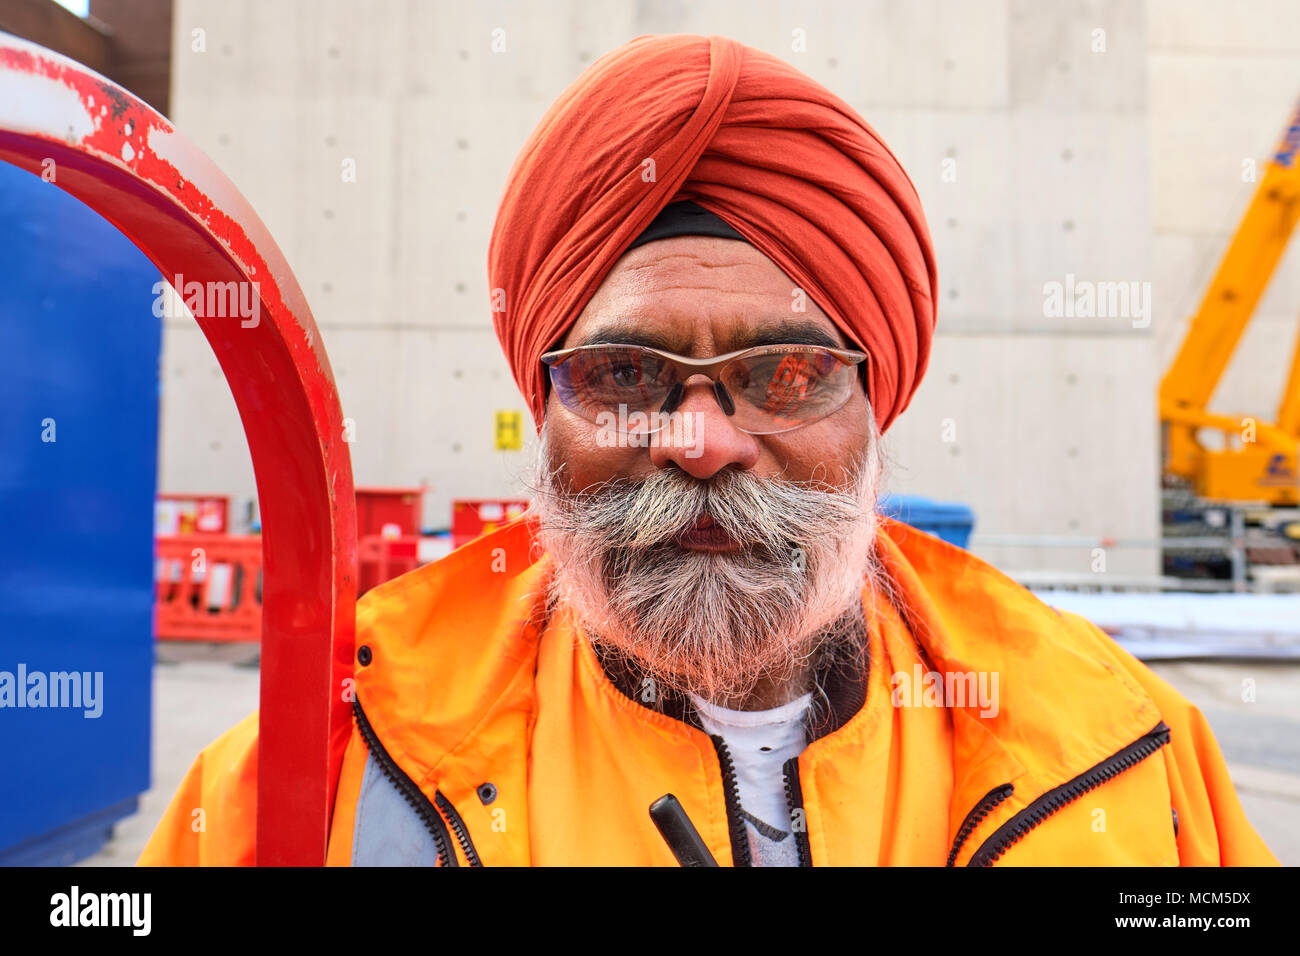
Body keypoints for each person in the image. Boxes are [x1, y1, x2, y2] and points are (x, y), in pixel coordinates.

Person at [139, 33, 1277, 867]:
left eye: (788, 373)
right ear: (543, 415)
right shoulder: (331, 757)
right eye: (624, 374)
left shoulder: (1123, 746)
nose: (697, 442)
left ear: (876, 409)